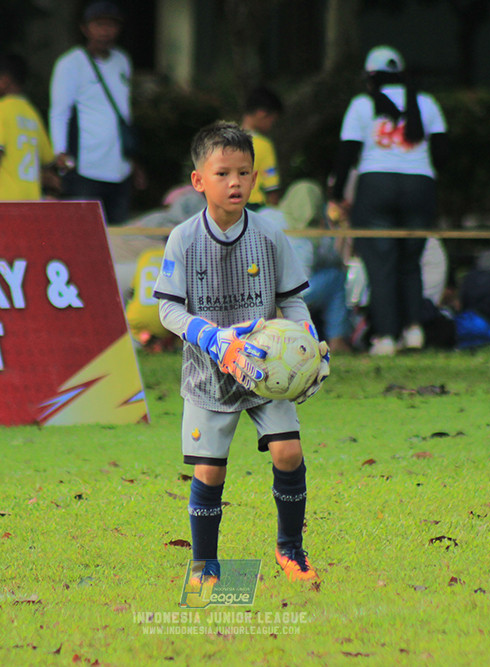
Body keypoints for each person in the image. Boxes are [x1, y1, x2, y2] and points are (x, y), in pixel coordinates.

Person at [152, 121, 330, 584]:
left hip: (267, 366)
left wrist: (310, 346)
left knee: (288, 452)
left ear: (255, 178)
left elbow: (291, 298)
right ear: (199, 181)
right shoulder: (184, 239)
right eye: (223, 173)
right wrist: (212, 339)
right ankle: (205, 565)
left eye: (244, 173)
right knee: (210, 474)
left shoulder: (270, 234)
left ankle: (291, 550)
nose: (235, 182)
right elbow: (167, 311)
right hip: (209, 375)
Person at [328, 45, 448, 356]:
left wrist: (338, 194)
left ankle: (385, 336)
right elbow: (444, 155)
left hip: (376, 187)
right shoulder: (427, 102)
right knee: (411, 262)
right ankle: (413, 330)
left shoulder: (361, 105)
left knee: (380, 265)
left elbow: (346, 155)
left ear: (370, 77)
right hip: (420, 187)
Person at [49, 1, 136, 224]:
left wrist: (133, 159)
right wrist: (60, 151)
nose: (105, 31)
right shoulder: (70, 64)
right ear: (85, 28)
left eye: (111, 25)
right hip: (86, 168)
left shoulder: (123, 60)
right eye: (99, 24)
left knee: (118, 237)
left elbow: (125, 112)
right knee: (85, 235)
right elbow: (60, 111)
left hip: (120, 169)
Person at [279, 179, 352, 353]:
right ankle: (337, 339)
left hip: (259, 292)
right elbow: (335, 261)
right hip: (294, 295)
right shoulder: (317, 232)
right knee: (336, 277)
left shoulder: (267, 216)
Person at [0, 52, 55, 201]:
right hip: (32, 197)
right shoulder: (32, 113)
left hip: (4, 198)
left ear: (5, 80)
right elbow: (48, 159)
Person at [241, 86, 283, 209]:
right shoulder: (264, 145)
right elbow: (271, 188)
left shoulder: (224, 141)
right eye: (272, 120)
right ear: (262, 114)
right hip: (255, 207)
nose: (271, 125)